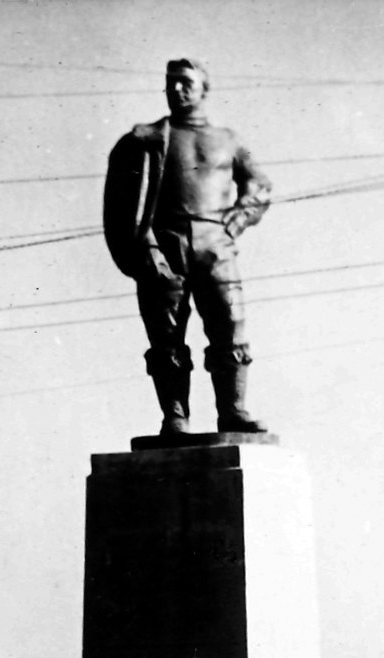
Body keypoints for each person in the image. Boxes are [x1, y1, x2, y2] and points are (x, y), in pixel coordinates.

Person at [104, 57, 273, 437]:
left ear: (203, 89)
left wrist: (240, 217)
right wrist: (146, 249)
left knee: (230, 327)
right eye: (170, 83)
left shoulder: (228, 140)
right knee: (166, 338)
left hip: (216, 245)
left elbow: (260, 185)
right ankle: (175, 418)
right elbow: (120, 202)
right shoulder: (144, 139)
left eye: (185, 82)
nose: (176, 89)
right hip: (164, 245)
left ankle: (233, 411)